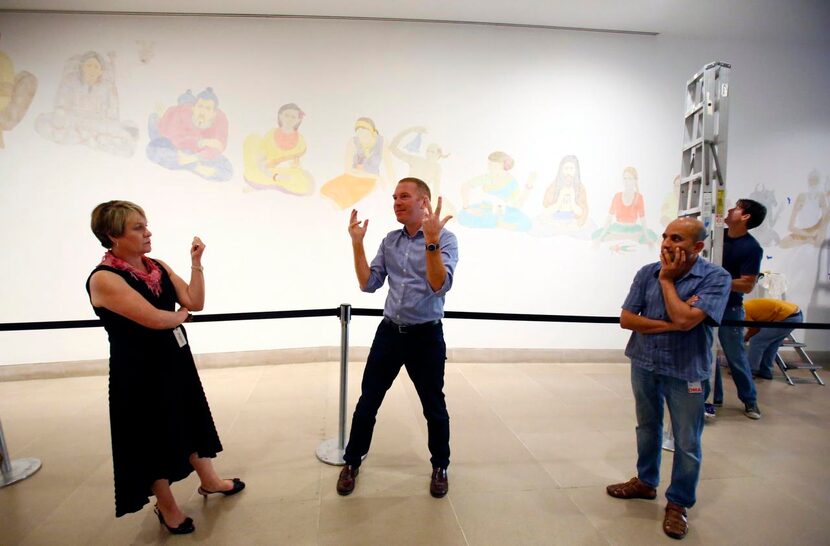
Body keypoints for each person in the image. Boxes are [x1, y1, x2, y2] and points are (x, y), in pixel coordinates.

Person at [86, 200, 244, 535]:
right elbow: (158, 319)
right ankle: (167, 506)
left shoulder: (156, 265)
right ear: (112, 235)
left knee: (189, 418)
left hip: (173, 362)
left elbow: (195, 301)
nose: (148, 232)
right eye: (138, 227)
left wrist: (196, 264)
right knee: (150, 437)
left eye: (145, 225)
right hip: (138, 373)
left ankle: (210, 480)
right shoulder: (104, 279)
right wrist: (182, 317)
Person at [607, 217, 731, 541]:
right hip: (645, 362)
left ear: (698, 247)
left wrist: (667, 282)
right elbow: (627, 319)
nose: (666, 243)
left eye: (676, 238)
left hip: (686, 369)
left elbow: (686, 318)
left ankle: (678, 504)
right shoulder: (645, 272)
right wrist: (675, 324)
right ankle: (646, 482)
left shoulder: (716, 278)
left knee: (687, 441)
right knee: (647, 426)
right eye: (664, 236)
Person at [336, 177, 458, 498]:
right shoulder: (390, 241)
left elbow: (438, 285)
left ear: (424, 203)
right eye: (394, 198)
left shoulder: (446, 240)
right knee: (368, 401)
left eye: (404, 197)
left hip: (426, 338)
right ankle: (352, 462)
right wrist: (357, 243)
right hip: (390, 333)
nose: (396, 203)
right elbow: (368, 283)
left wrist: (431, 241)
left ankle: (440, 466)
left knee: (434, 406)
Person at [706, 199, 767, 420]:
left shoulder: (751, 248)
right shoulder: (717, 236)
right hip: (708, 304)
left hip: (730, 307)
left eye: (737, 207)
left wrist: (717, 282)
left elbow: (747, 284)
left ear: (745, 217)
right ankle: (715, 397)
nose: (730, 209)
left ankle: (750, 401)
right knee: (708, 352)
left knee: (735, 355)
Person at [146, 88, 232, 181]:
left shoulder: (220, 120)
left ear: (213, 113)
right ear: (193, 107)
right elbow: (173, 138)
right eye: (200, 106)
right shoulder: (180, 112)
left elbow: (218, 146)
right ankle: (194, 167)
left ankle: (184, 163)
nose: (202, 111)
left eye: (208, 109)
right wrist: (200, 143)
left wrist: (195, 157)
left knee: (226, 171)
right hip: (170, 142)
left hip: (193, 154)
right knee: (154, 149)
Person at [321, 117, 396, 208]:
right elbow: (348, 169)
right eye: (358, 131)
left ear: (371, 130)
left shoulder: (382, 142)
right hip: (353, 176)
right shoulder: (352, 142)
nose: (361, 134)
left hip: (370, 182)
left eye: (364, 130)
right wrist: (376, 177)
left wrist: (396, 187)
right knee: (330, 193)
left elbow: (389, 167)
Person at [242, 102, 314, 195]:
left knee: (304, 183)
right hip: (267, 169)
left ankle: (264, 185)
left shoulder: (300, 140)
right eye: (286, 115)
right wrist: (272, 174)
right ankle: (267, 184)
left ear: (298, 120)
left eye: (293, 117)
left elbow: (295, 164)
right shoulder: (271, 134)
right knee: (255, 172)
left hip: (287, 171)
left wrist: (287, 171)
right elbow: (262, 157)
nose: (289, 119)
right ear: (280, 116)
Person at [593, 166, 658, 246]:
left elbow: (643, 220)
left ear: (635, 180)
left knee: (651, 237)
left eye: (630, 179)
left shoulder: (639, 197)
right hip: (618, 228)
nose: (627, 181)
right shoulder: (617, 196)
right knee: (598, 236)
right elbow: (609, 219)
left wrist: (647, 237)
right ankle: (624, 237)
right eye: (625, 178)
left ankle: (627, 237)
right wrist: (601, 236)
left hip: (633, 229)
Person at [743, 298, 803, 380]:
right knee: (772, 344)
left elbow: (754, 329)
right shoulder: (746, 306)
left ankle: (750, 371)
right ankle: (765, 371)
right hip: (795, 315)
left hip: (787, 317)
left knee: (756, 340)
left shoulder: (743, 312)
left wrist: (746, 337)